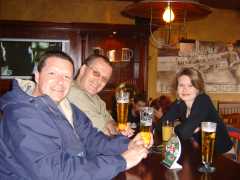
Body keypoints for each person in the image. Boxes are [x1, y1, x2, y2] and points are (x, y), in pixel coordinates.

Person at [0, 51, 152, 180]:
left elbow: (92, 139)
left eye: (66, 77)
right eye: (53, 73)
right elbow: (55, 172)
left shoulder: (66, 107)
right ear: (37, 77)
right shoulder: (22, 115)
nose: (60, 82)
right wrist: (122, 161)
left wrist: (127, 145)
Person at [157, 67, 233, 154]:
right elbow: (160, 125)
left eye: (190, 85)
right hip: (201, 152)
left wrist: (174, 128)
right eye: (181, 85)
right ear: (177, 88)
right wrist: (183, 127)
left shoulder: (203, 100)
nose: (185, 89)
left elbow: (184, 133)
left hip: (223, 155)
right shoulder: (180, 103)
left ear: (198, 88)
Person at [68, 54, 131, 136]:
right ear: (83, 69)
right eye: (96, 73)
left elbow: (110, 122)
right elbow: (103, 133)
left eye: (104, 79)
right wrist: (117, 131)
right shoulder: (73, 92)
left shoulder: (96, 98)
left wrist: (116, 129)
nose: (98, 81)